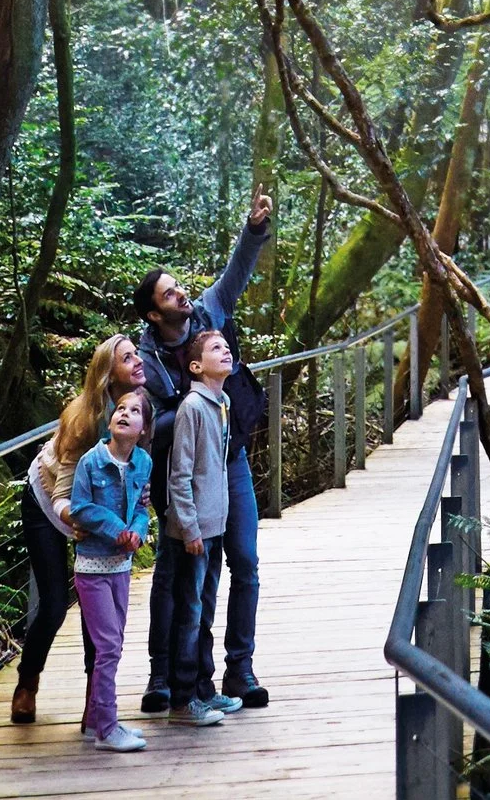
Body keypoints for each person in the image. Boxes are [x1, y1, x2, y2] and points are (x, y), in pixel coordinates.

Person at [136, 192, 274, 715]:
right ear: (155, 311)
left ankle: (239, 668)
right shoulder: (146, 358)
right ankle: (165, 675)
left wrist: (254, 228)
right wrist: (189, 409)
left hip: (229, 460)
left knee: (244, 561)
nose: (182, 295)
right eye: (171, 293)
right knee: (179, 574)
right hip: (180, 471)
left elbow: (235, 272)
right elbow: (145, 421)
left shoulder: (209, 315)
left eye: (180, 287)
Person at [12, 334, 148, 726]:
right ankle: (27, 682)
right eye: (127, 358)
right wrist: (84, 527)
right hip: (50, 502)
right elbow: (62, 495)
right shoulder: (84, 418)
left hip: (95, 515)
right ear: (109, 373)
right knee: (54, 602)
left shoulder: (138, 411)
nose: (138, 361)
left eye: (137, 354)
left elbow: (136, 473)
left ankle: (95, 699)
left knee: (97, 605)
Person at [70, 386, 155, 752]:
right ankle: (106, 727)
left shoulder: (143, 463)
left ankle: (99, 721)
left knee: (114, 644)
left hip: (121, 566)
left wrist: (136, 531)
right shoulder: (92, 461)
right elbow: (80, 508)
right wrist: (115, 529)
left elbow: (141, 507)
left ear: (144, 428)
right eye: (120, 408)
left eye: (135, 411)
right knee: (108, 648)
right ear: (110, 419)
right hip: (91, 568)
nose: (125, 414)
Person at [163, 328, 237, 726]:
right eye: (215, 348)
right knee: (190, 613)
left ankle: (205, 691)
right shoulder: (193, 406)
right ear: (195, 366)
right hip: (193, 533)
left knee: (205, 611)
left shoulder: (221, 401)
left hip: (215, 526)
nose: (225, 351)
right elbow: (181, 473)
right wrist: (189, 527)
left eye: (226, 347)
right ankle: (183, 699)